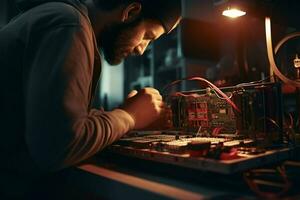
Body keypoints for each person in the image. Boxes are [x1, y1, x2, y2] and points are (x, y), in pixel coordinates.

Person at [0, 0, 181, 198]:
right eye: (148, 36)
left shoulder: (61, 17)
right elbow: (57, 147)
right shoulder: (69, 24)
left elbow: (57, 121)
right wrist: (129, 116)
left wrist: (127, 118)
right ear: (131, 12)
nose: (142, 49)